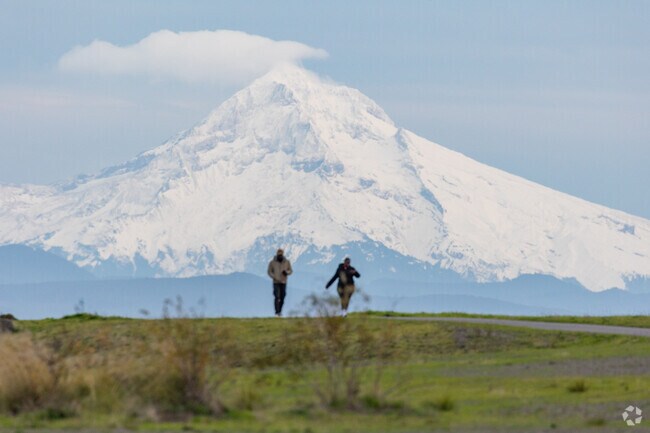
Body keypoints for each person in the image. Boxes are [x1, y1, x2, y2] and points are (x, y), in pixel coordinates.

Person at [267, 248, 292, 317]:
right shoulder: (272, 263)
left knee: (283, 296)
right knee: (276, 296)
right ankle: (277, 312)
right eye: (279, 254)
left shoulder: (287, 262)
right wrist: (274, 276)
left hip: (283, 282)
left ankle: (280, 311)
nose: (280, 256)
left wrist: (286, 272)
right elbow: (269, 271)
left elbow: (290, 270)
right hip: (276, 282)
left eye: (281, 254)